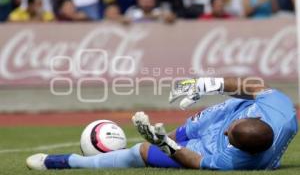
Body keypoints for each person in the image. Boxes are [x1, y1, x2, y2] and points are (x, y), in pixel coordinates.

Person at [26, 77, 297, 170]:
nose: (228, 131)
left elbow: (195, 161)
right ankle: (163, 138)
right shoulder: (282, 109)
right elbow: (255, 87)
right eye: (233, 126)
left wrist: (165, 145)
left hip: (207, 148)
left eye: (230, 137)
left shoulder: (234, 162)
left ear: (236, 149)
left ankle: (63, 161)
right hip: (213, 118)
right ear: (255, 117)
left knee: (142, 152)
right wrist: (206, 84)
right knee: (174, 133)